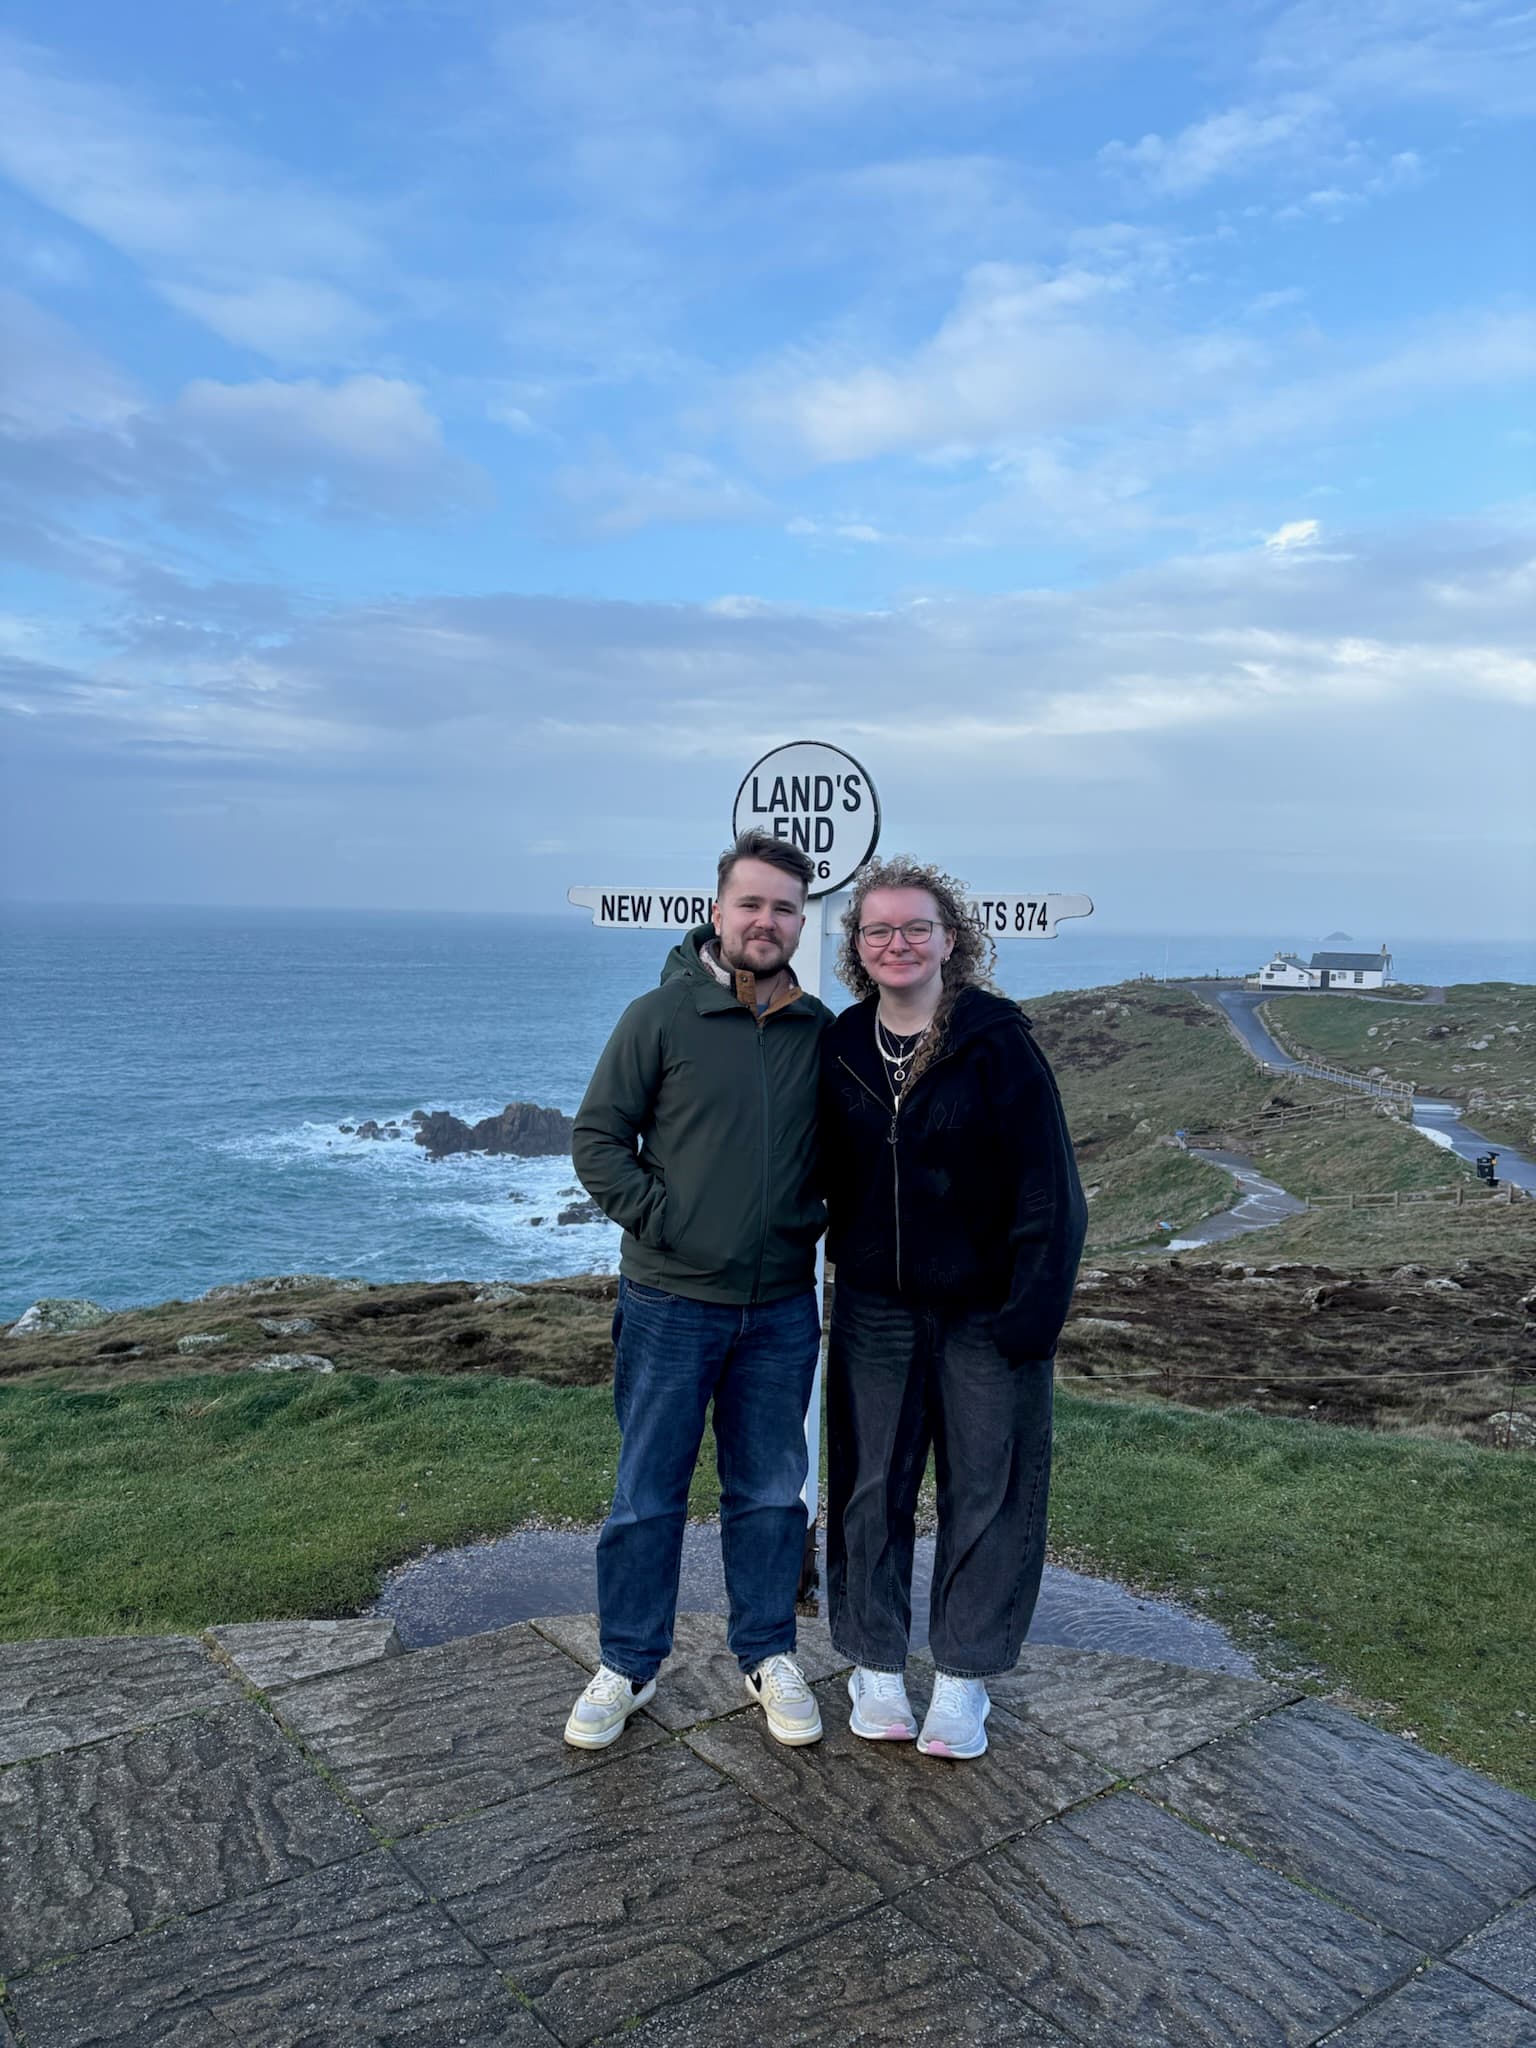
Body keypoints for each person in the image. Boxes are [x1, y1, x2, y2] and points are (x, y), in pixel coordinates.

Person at [564, 830, 831, 1750]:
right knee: (647, 1494)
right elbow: (598, 1140)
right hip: (671, 1304)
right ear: (716, 911)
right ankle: (627, 1666)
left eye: (785, 908)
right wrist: (670, 1223)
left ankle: (767, 1654)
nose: (768, 921)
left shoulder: (817, 1030)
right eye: (751, 903)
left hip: (783, 1309)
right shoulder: (659, 1017)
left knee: (769, 1495)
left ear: (802, 920)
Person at [820, 856, 1085, 1759]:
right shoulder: (844, 1042)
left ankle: (964, 1682)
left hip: (987, 1313)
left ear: (950, 939)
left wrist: (1031, 1317)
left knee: (991, 1490)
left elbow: (1051, 1188)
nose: (897, 942)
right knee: (868, 1488)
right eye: (878, 930)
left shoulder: (997, 1040)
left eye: (915, 928)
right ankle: (876, 1665)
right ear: (857, 948)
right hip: (874, 1312)